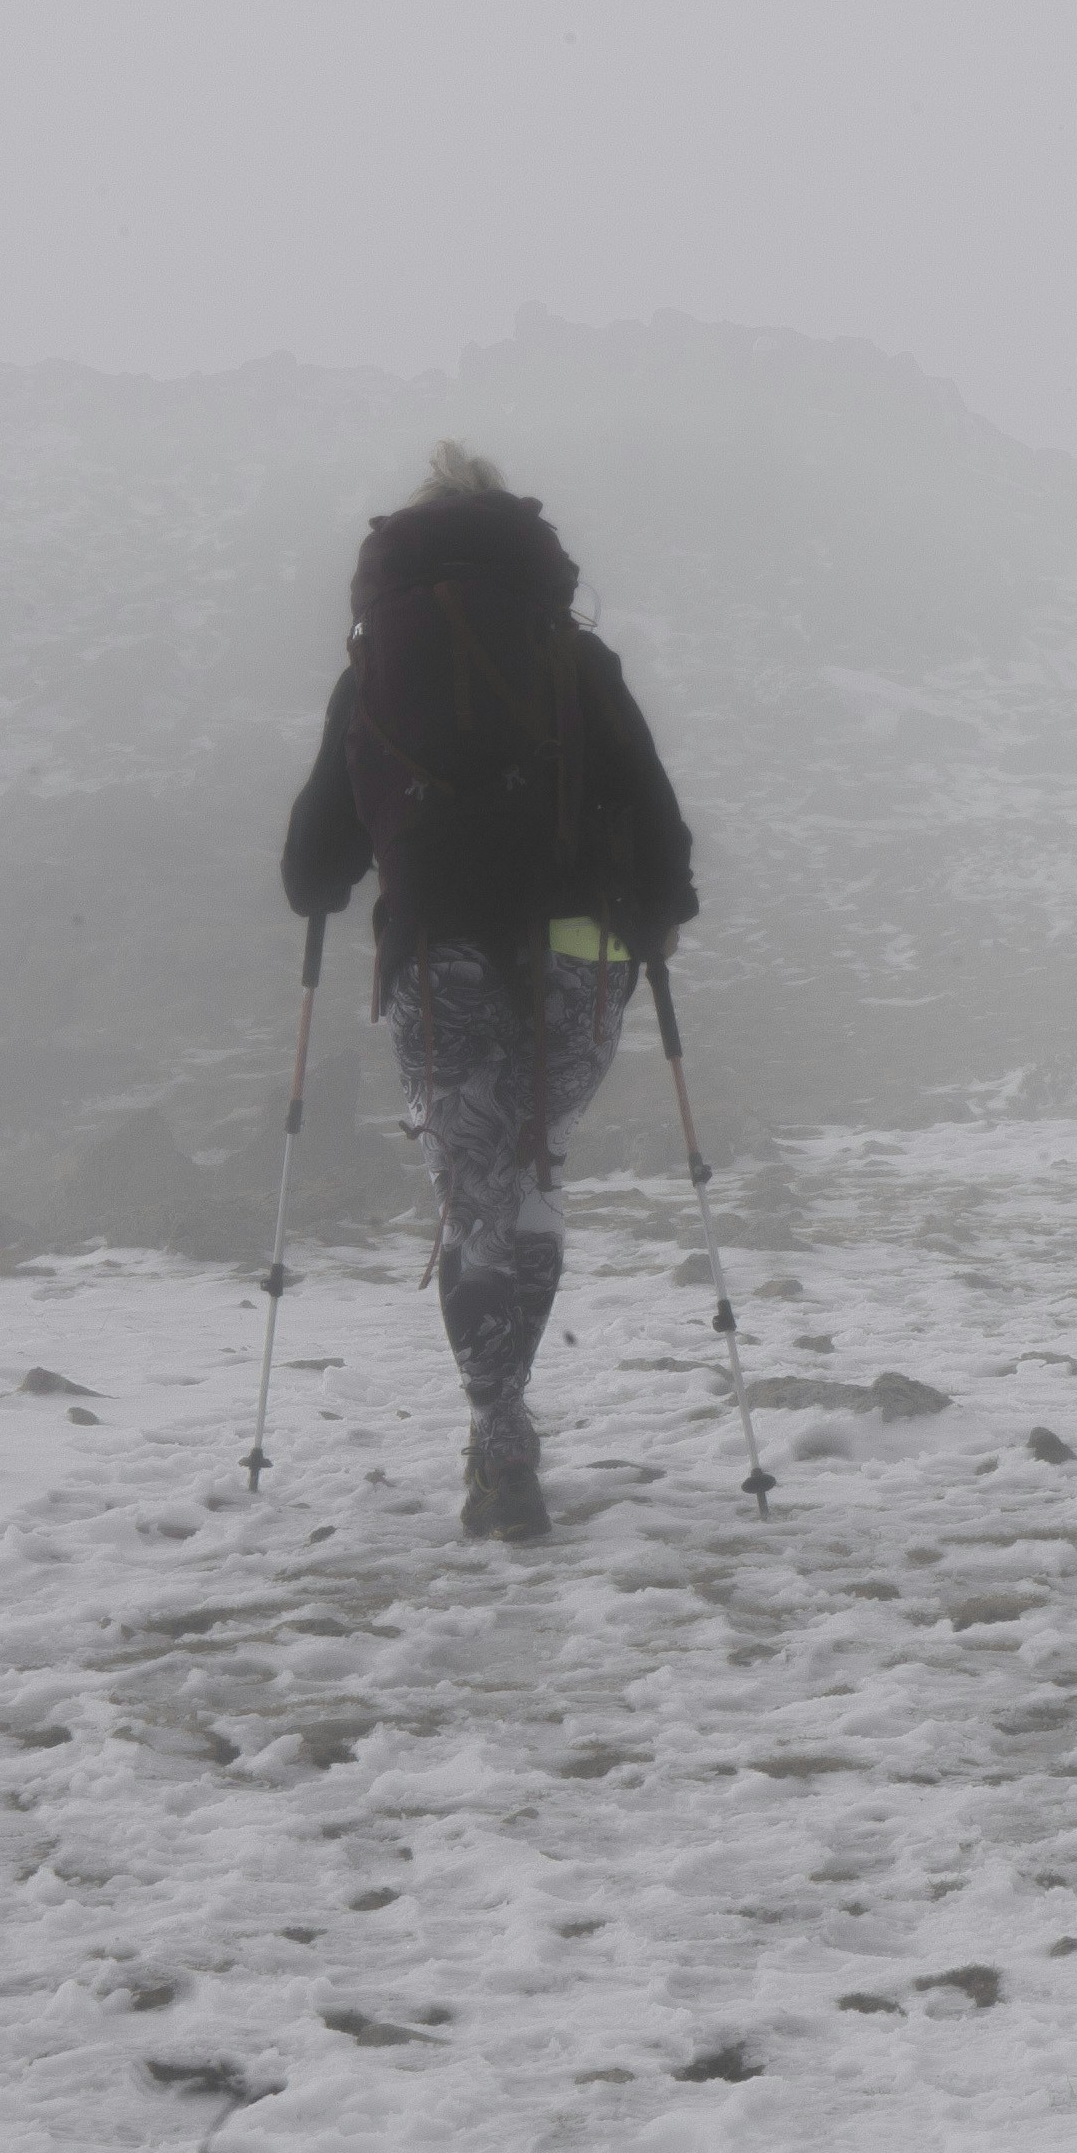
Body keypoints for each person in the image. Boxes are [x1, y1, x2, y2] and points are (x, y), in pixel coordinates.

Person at [280, 443, 698, 1541]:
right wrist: (660, 912)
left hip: (439, 956)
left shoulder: (375, 668)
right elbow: (655, 815)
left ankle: (499, 1435)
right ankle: (504, 1427)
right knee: (531, 1169)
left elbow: (312, 865)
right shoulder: (575, 655)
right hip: (577, 954)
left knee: (475, 1197)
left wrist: (342, 874)